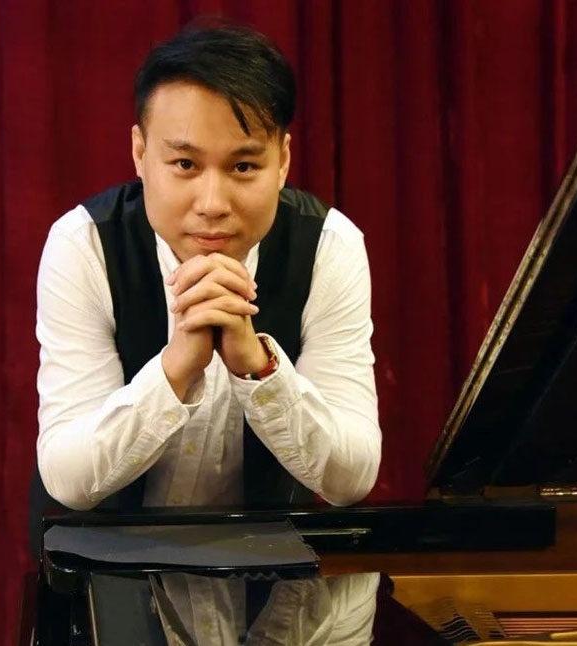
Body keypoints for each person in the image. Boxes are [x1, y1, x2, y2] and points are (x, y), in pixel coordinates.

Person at [33, 21, 380, 539]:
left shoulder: (330, 246)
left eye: (243, 167)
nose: (213, 204)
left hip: (272, 573)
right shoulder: (83, 244)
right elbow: (68, 479)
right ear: (140, 153)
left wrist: (258, 368)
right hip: (101, 569)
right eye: (185, 163)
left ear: (282, 161)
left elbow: (352, 479)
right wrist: (176, 368)